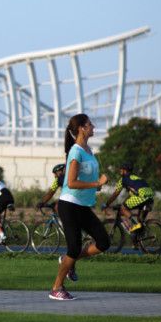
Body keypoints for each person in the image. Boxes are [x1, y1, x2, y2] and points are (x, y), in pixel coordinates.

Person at [52, 113, 110, 301]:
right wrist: (95, 184)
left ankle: (69, 261)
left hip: (83, 205)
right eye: (90, 124)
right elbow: (71, 182)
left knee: (103, 242)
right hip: (69, 204)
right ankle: (56, 288)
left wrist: (97, 184)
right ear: (82, 129)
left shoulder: (88, 150)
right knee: (74, 247)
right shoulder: (76, 151)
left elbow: (88, 179)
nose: (93, 127)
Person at [102, 162, 155, 232]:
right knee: (140, 220)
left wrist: (107, 204)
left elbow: (115, 194)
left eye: (121, 169)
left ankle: (135, 224)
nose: (120, 171)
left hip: (141, 196)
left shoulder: (123, 179)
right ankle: (139, 239)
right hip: (150, 197)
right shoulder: (136, 177)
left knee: (122, 209)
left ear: (125, 170)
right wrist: (124, 203)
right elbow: (131, 195)